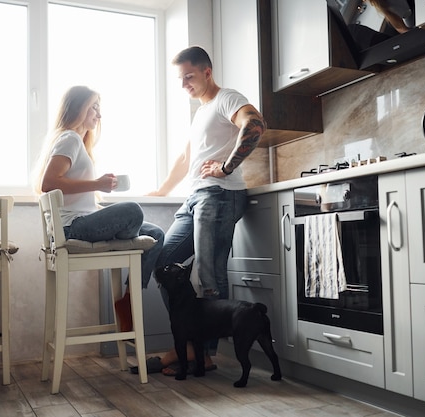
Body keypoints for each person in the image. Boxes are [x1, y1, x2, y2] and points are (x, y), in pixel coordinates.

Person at [144, 46, 266, 376]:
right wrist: (161, 192)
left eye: (189, 76)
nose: (184, 84)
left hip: (220, 195)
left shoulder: (227, 97)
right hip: (194, 198)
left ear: (207, 72)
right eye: (180, 79)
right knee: (163, 264)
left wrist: (226, 167)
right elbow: (187, 159)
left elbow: (254, 124)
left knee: (210, 278)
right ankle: (189, 345)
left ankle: (205, 354)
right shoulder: (200, 113)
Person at [34, 85, 165, 331]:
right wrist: (97, 184)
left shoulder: (79, 143)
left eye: (99, 107)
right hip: (72, 227)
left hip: (83, 221)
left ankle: (128, 300)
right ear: (78, 108)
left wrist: (101, 187)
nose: (98, 114)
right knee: (133, 211)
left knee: (156, 234)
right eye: (93, 106)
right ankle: (125, 234)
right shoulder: (69, 138)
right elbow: (49, 183)